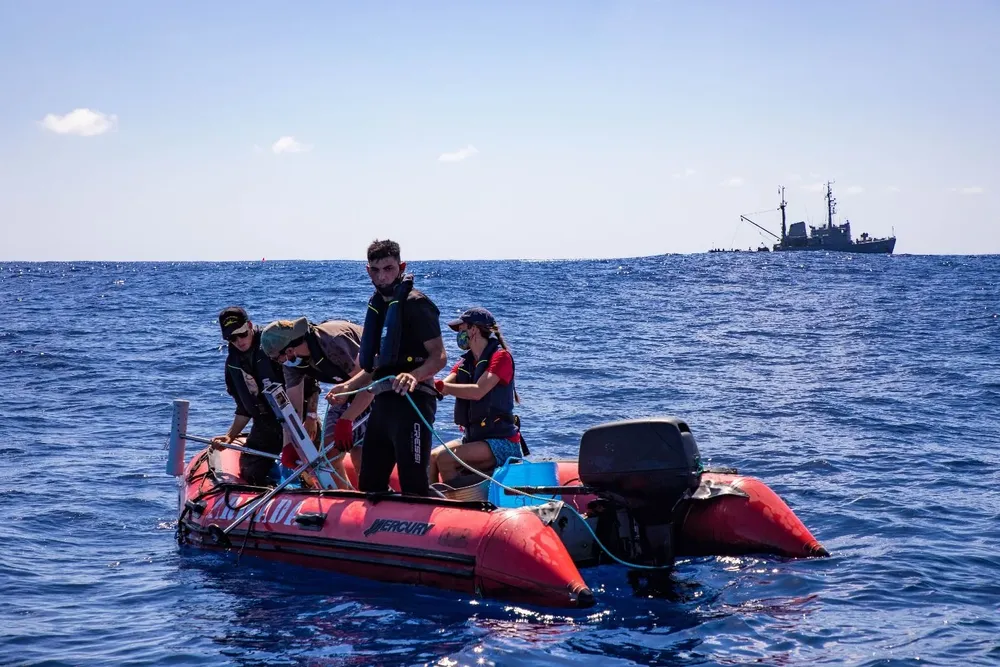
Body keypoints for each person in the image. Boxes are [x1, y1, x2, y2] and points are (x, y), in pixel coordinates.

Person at [328, 239, 447, 496]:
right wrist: (347, 387)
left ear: (401, 267)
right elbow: (377, 366)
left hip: (413, 403)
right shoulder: (378, 306)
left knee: (413, 484)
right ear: (368, 270)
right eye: (377, 270)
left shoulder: (417, 304)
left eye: (389, 268)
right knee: (370, 484)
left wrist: (413, 376)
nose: (383, 276)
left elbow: (439, 357)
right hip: (383, 404)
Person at [212, 306, 320, 486]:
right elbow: (244, 408)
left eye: (242, 334)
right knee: (251, 472)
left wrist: (311, 416)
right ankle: (275, 492)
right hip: (265, 425)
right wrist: (230, 436)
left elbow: (311, 384)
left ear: (250, 325)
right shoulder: (232, 364)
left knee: (314, 469)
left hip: (298, 420)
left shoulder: (273, 344)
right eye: (232, 338)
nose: (239, 341)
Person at [259, 317, 373, 489]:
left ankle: (375, 499)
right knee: (328, 456)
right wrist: (289, 444)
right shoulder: (292, 364)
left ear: (289, 350)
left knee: (361, 455)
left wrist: (348, 418)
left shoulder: (332, 342)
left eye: (277, 358)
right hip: (348, 390)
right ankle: (347, 501)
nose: (279, 363)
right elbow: (293, 408)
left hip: (381, 384)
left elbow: (370, 378)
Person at [429, 307, 528, 485]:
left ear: (473, 329)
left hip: (501, 442)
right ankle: (431, 502)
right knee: (432, 458)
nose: (458, 334)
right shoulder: (464, 363)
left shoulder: (501, 358)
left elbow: (478, 391)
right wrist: (423, 381)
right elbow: (444, 385)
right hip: (474, 438)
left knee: (445, 459)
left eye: (461, 329)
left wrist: (443, 386)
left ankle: (460, 503)